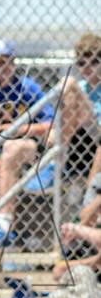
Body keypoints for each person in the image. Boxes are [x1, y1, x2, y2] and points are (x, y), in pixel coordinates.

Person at [0, 40, 55, 253]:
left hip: (28, 145)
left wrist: (19, 128)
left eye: (8, 62)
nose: (4, 68)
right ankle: (8, 232)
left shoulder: (26, 86)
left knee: (12, 149)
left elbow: (52, 123)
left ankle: (3, 226)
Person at [24, 32, 100, 194]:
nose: (86, 67)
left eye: (93, 62)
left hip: (97, 137)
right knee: (71, 89)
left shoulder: (77, 87)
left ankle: (55, 164)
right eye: (81, 62)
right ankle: (57, 162)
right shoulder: (82, 86)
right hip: (78, 141)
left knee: (69, 84)